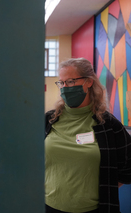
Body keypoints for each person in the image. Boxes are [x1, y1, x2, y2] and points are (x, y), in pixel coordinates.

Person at [45, 58, 131, 213]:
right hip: (48, 206)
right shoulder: (49, 120)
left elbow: (128, 169)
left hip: (94, 209)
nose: (65, 88)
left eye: (70, 82)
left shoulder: (108, 125)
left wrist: (105, 188)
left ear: (88, 82)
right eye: (61, 83)